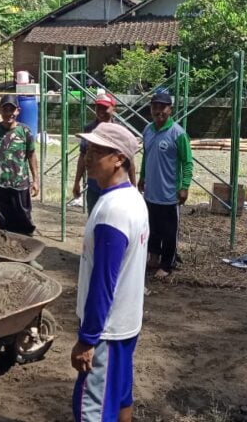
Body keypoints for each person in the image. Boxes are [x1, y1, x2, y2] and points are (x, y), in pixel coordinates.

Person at [71, 122, 149, 422]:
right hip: (127, 325)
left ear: (119, 158)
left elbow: (103, 282)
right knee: (118, 400)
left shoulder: (113, 211)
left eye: (96, 151)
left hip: (106, 331)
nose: (87, 157)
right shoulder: (132, 199)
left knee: (91, 410)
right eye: (87, 150)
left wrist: (87, 339)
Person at [138, 90, 193, 279]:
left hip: (169, 194)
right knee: (151, 227)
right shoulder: (148, 130)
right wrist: (142, 176)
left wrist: (184, 186)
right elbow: (146, 156)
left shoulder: (178, 134)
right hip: (151, 191)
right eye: (155, 107)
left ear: (170, 109)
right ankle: (153, 257)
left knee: (169, 231)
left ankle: (167, 263)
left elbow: (187, 162)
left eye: (163, 107)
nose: (158, 111)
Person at [0, 94, 39, 235]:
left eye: (11, 110)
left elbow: (31, 155)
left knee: (24, 220)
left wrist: (36, 181)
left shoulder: (25, 131)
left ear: (17, 111)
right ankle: (7, 250)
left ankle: (25, 248)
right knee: (4, 222)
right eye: (5, 110)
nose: (8, 114)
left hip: (19, 184)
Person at [73, 93, 137, 214]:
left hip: (114, 187)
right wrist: (77, 182)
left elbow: (130, 161)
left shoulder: (120, 132)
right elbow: (83, 156)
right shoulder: (89, 129)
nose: (101, 111)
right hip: (94, 186)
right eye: (98, 108)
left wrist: (134, 186)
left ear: (114, 109)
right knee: (94, 218)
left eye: (105, 108)